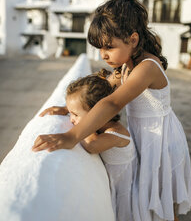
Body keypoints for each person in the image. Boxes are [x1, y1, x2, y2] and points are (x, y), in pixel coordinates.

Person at [32, 0, 191, 221]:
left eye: (109, 47)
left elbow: (112, 102)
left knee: (162, 201)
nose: (104, 54)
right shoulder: (125, 68)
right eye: (100, 48)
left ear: (133, 39)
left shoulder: (147, 67)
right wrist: (69, 109)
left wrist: (72, 135)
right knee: (152, 201)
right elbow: (98, 94)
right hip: (145, 137)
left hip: (161, 140)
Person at [33, 70, 138, 221]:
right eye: (70, 114)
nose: (71, 120)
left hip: (126, 191)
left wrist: (84, 127)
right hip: (114, 186)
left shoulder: (117, 133)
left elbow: (92, 145)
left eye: (75, 114)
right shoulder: (102, 126)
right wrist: (69, 110)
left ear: (96, 113)